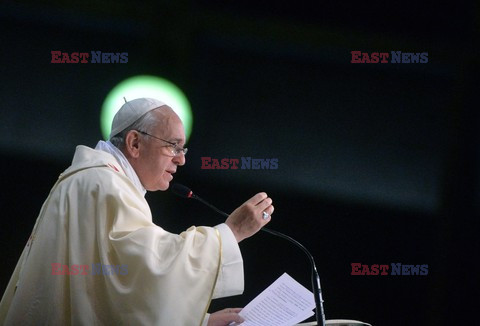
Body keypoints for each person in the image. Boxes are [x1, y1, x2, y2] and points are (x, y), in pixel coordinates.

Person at [0, 98, 274, 325]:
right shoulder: (105, 184)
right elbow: (148, 268)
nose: (181, 159)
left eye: (183, 148)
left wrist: (201, 321)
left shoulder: (92, 179)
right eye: (173, 146)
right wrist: (231, 232)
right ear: (134, 143)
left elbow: (110, 293)